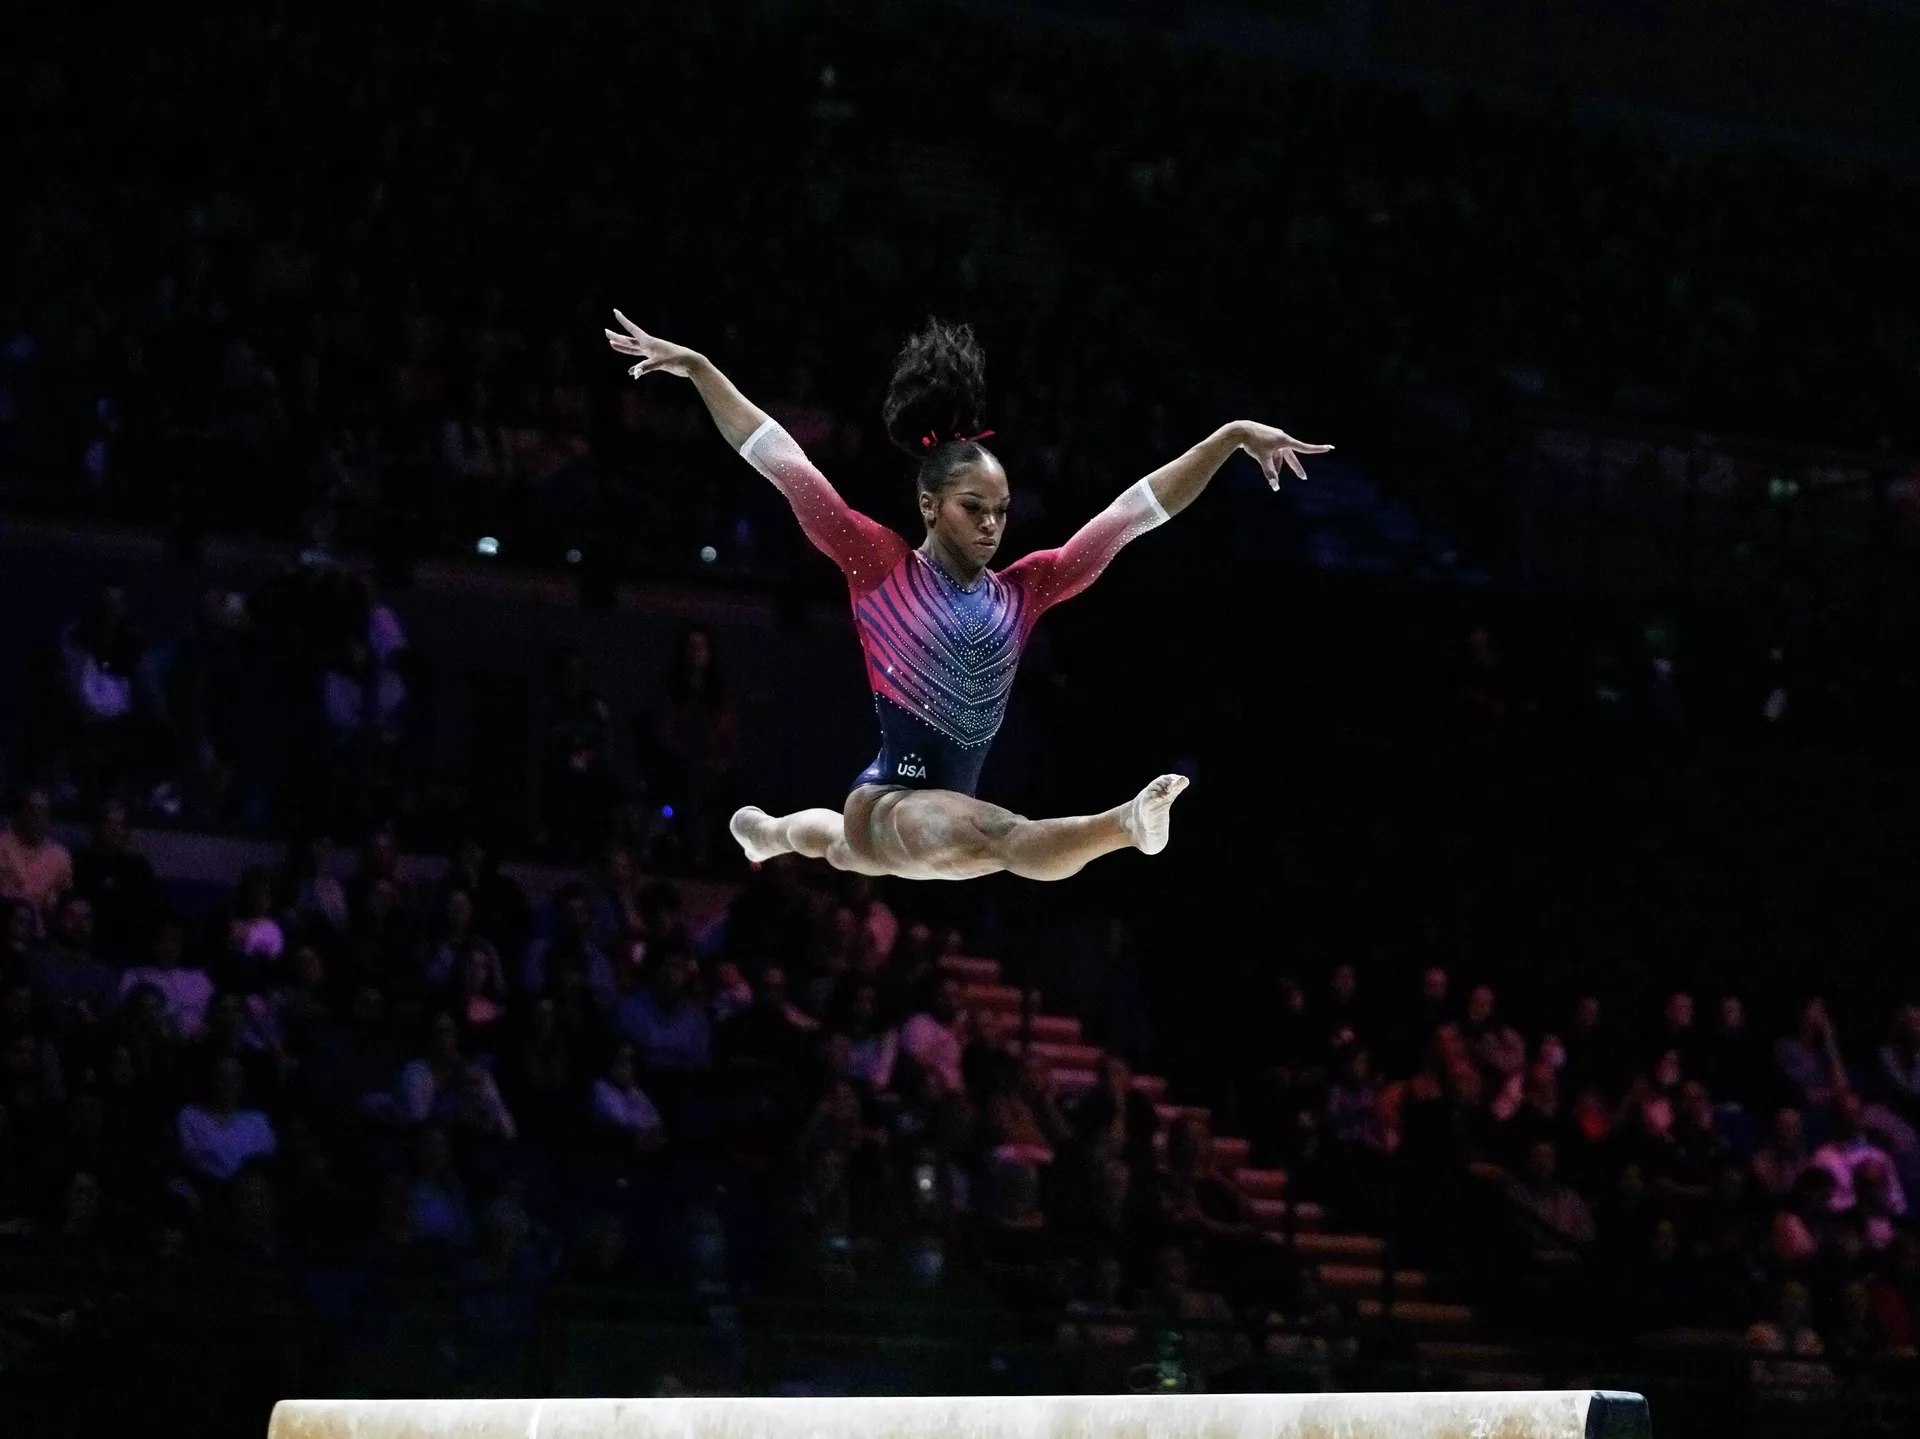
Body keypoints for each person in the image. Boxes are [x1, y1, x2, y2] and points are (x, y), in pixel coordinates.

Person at [605, 313, 1329, 881]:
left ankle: (766, 832)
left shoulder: (1027, 588)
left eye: (1001, 511)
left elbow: (1135, 512)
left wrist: (1227, 437)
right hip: (889, 802)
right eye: (972, 508)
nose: (990, 525)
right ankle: (1127, 824)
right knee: (1001, 834)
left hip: (926, 820)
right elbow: (779, 458)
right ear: (928, 505)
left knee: (842, 847)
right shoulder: (878, 562)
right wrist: (699, 369)